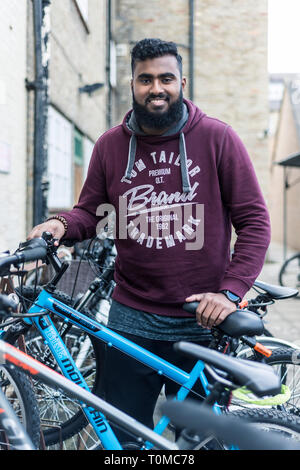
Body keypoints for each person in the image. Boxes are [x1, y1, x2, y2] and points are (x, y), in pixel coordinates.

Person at [28, 38, 271, 444]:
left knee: (200, 440)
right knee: (123, 438)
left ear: (182, 82)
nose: (156, 88)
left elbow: (255, 221)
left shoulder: (217, 138)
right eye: (146, 79)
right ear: (133, 85)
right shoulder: (109, 145)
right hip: (129, 319)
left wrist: (229, 292)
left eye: (166, 78)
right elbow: (90, 212)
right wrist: (59, 225)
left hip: (201, 321)